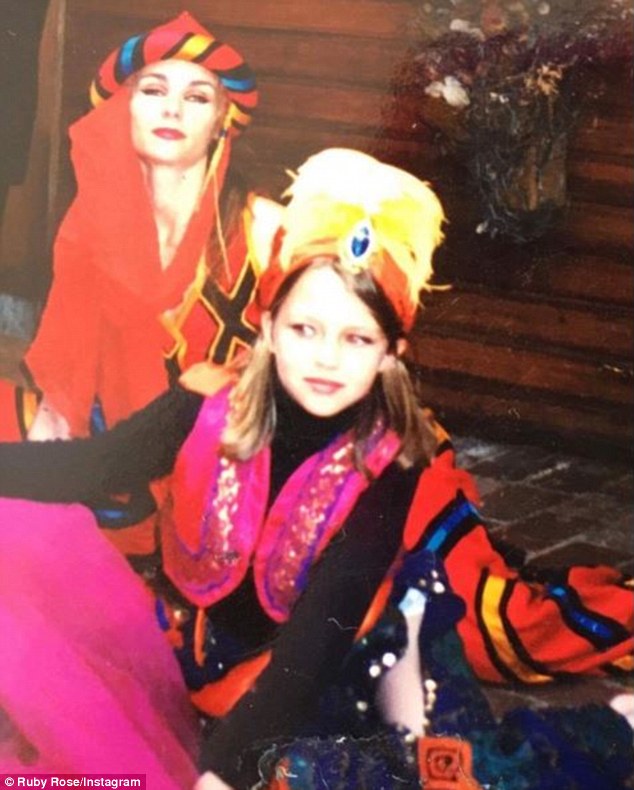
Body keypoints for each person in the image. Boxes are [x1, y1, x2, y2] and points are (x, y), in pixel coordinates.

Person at [0, 149, 632, 790]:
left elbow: (310, 656)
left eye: (357, 339)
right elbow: (85, 466)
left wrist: (220, 776)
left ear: (393, 354)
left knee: (427, 777)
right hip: (207, 665)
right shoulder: (203, 404)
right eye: (306, 329)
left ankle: (614, 725)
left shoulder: (394, 467)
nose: (326, 358)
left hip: (345, 681)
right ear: (269, 327)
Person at [0, 10, 259, 444]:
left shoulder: (262, 228)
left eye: (197, 98)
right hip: (116, 436)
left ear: (221, 122)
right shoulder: (90, 225)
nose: (172, 109)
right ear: (124, 108)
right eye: (154, 91)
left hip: (222, 444)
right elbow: (67, 382)